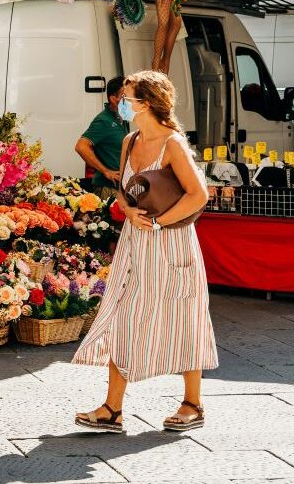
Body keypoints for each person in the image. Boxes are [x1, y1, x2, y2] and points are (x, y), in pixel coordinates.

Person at [72, 70, 217, 433]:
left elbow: (199, 196)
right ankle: (112, 409)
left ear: (147, 103)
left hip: (170, 242)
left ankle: (193, 404)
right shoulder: (129, 141)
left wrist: (157, 222)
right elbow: (124, 188)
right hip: (135, 243)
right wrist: (127, 207)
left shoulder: (173, 144)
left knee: (184, 315)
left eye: (128, 97)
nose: (121, 102)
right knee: (122, 313)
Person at [76, 77, 129, 201]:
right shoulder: (104, 120)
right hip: (107, 189)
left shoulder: (122, 119)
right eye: (125, 96)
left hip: (119, 188)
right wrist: (106, 171)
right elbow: (81, 146)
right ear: (113, 99)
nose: (130, 100)